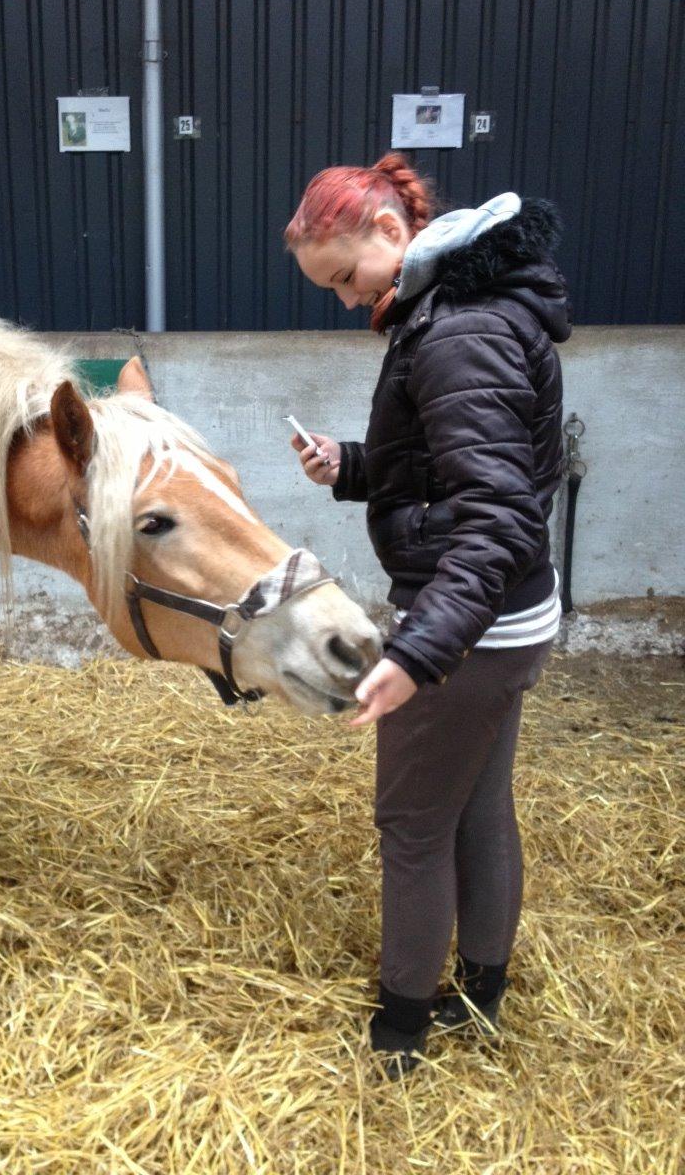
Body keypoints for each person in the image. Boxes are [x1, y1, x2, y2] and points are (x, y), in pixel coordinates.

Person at [284, 153, 571, 1078]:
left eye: (344, 276)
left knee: (412, 825)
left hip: (469, 627)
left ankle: (402, 1028)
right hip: (506, 616)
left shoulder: (457, 331)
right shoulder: (458, 308)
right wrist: (354, 466)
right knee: (478, 807)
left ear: (388, 230)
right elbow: (458, 466)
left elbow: (495, 518)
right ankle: (482, 992)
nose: (346, 299)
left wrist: (416, 654)